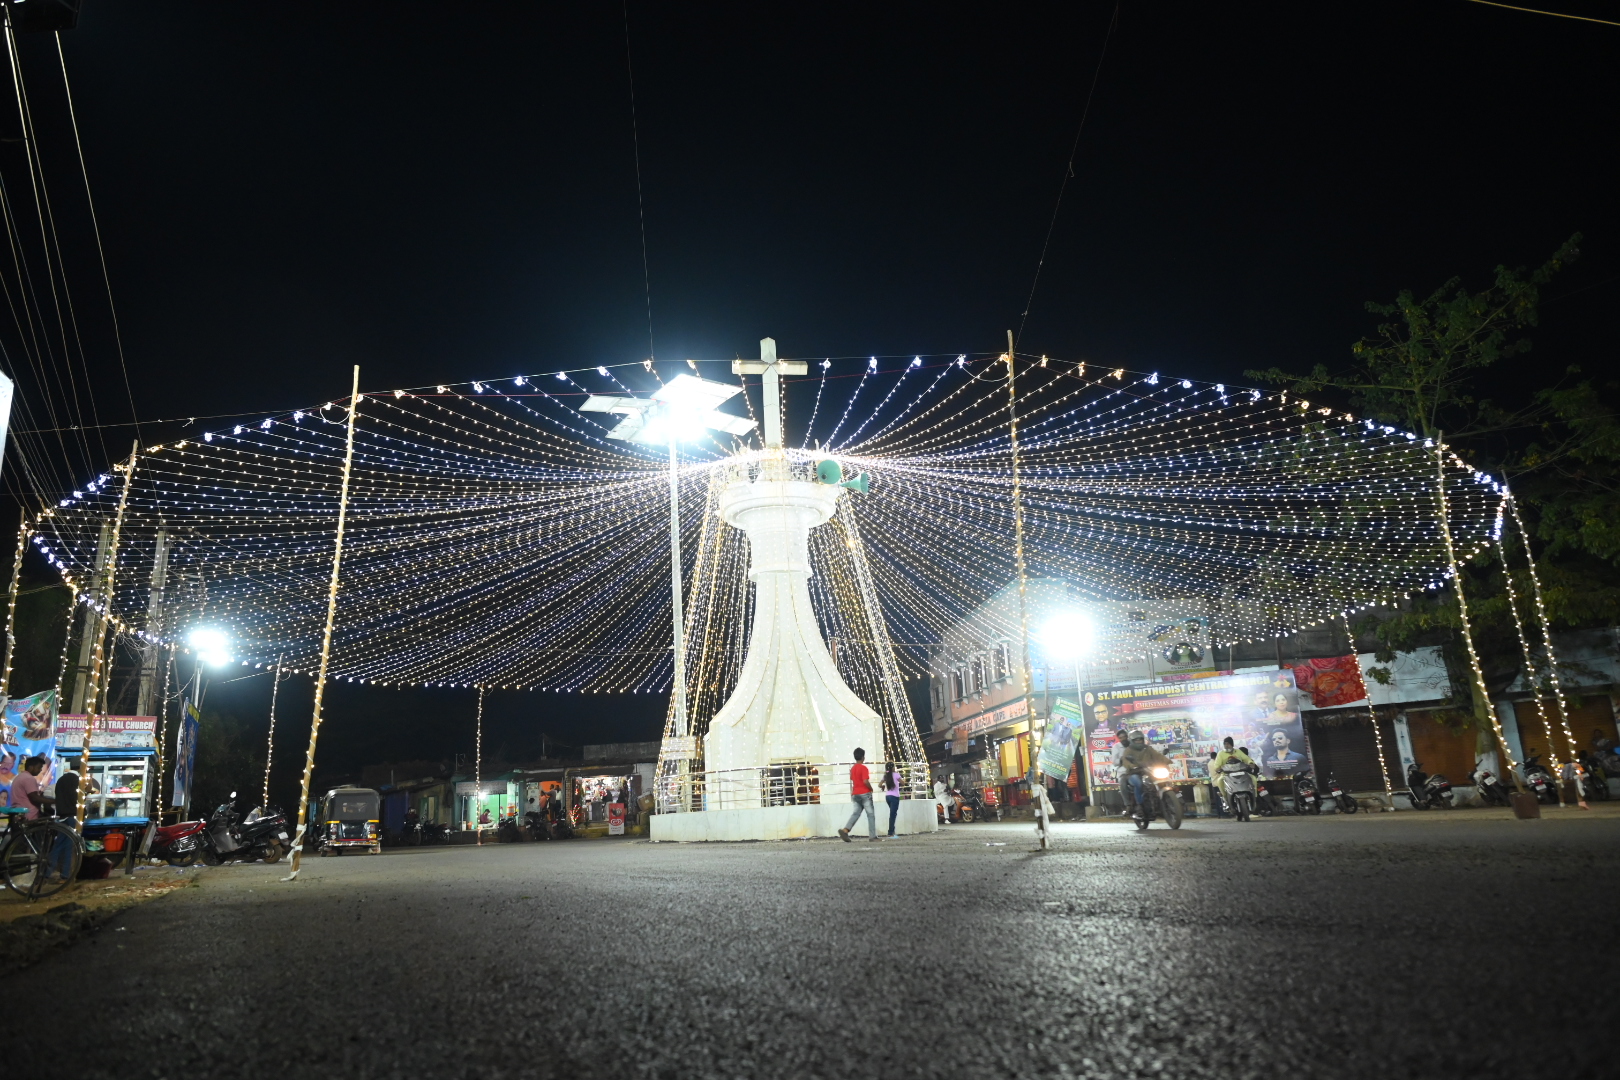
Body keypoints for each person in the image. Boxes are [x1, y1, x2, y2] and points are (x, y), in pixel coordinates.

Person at [1119, 732, 1171, 818]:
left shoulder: (1148, 749)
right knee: (1138, 783)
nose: (1139, 741)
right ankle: (1139, 806)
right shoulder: (1128, 750)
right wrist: (1133, 766)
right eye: (1136, 740)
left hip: (1148, 771)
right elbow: (1125, 761)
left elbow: (1157, 756)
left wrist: (1167, 762)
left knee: (1159, 781)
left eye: (1140, 739)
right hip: (1134, 772)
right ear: (1132, 741)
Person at [837, 747, 878, 842]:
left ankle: (845, 830)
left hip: (855, 794)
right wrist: (871, 788)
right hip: (865, 793)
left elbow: (852, 779)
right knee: (870, 815)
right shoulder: (864, 768)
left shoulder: (853, 768)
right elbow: (865, 781)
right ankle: (872, 836)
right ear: (863, 757)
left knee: (856, 813)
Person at [8, 755, 49, 820]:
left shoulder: (20, 777)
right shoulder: (29, 778)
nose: (40, 770)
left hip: (18, 814)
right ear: (31, 767)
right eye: (39, 767)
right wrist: (54, 801)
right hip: (27, 816)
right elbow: (35, 798)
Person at [880, 762, 901, 839]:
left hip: (888, 797)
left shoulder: (886, 776)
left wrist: (882, 787)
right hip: (895, 797)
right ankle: (890, 832)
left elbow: (879, 785)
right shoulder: (896, 774)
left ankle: (892, 831)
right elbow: (903, 782)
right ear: (893, 767)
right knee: (893, 814)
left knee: (893, 814)